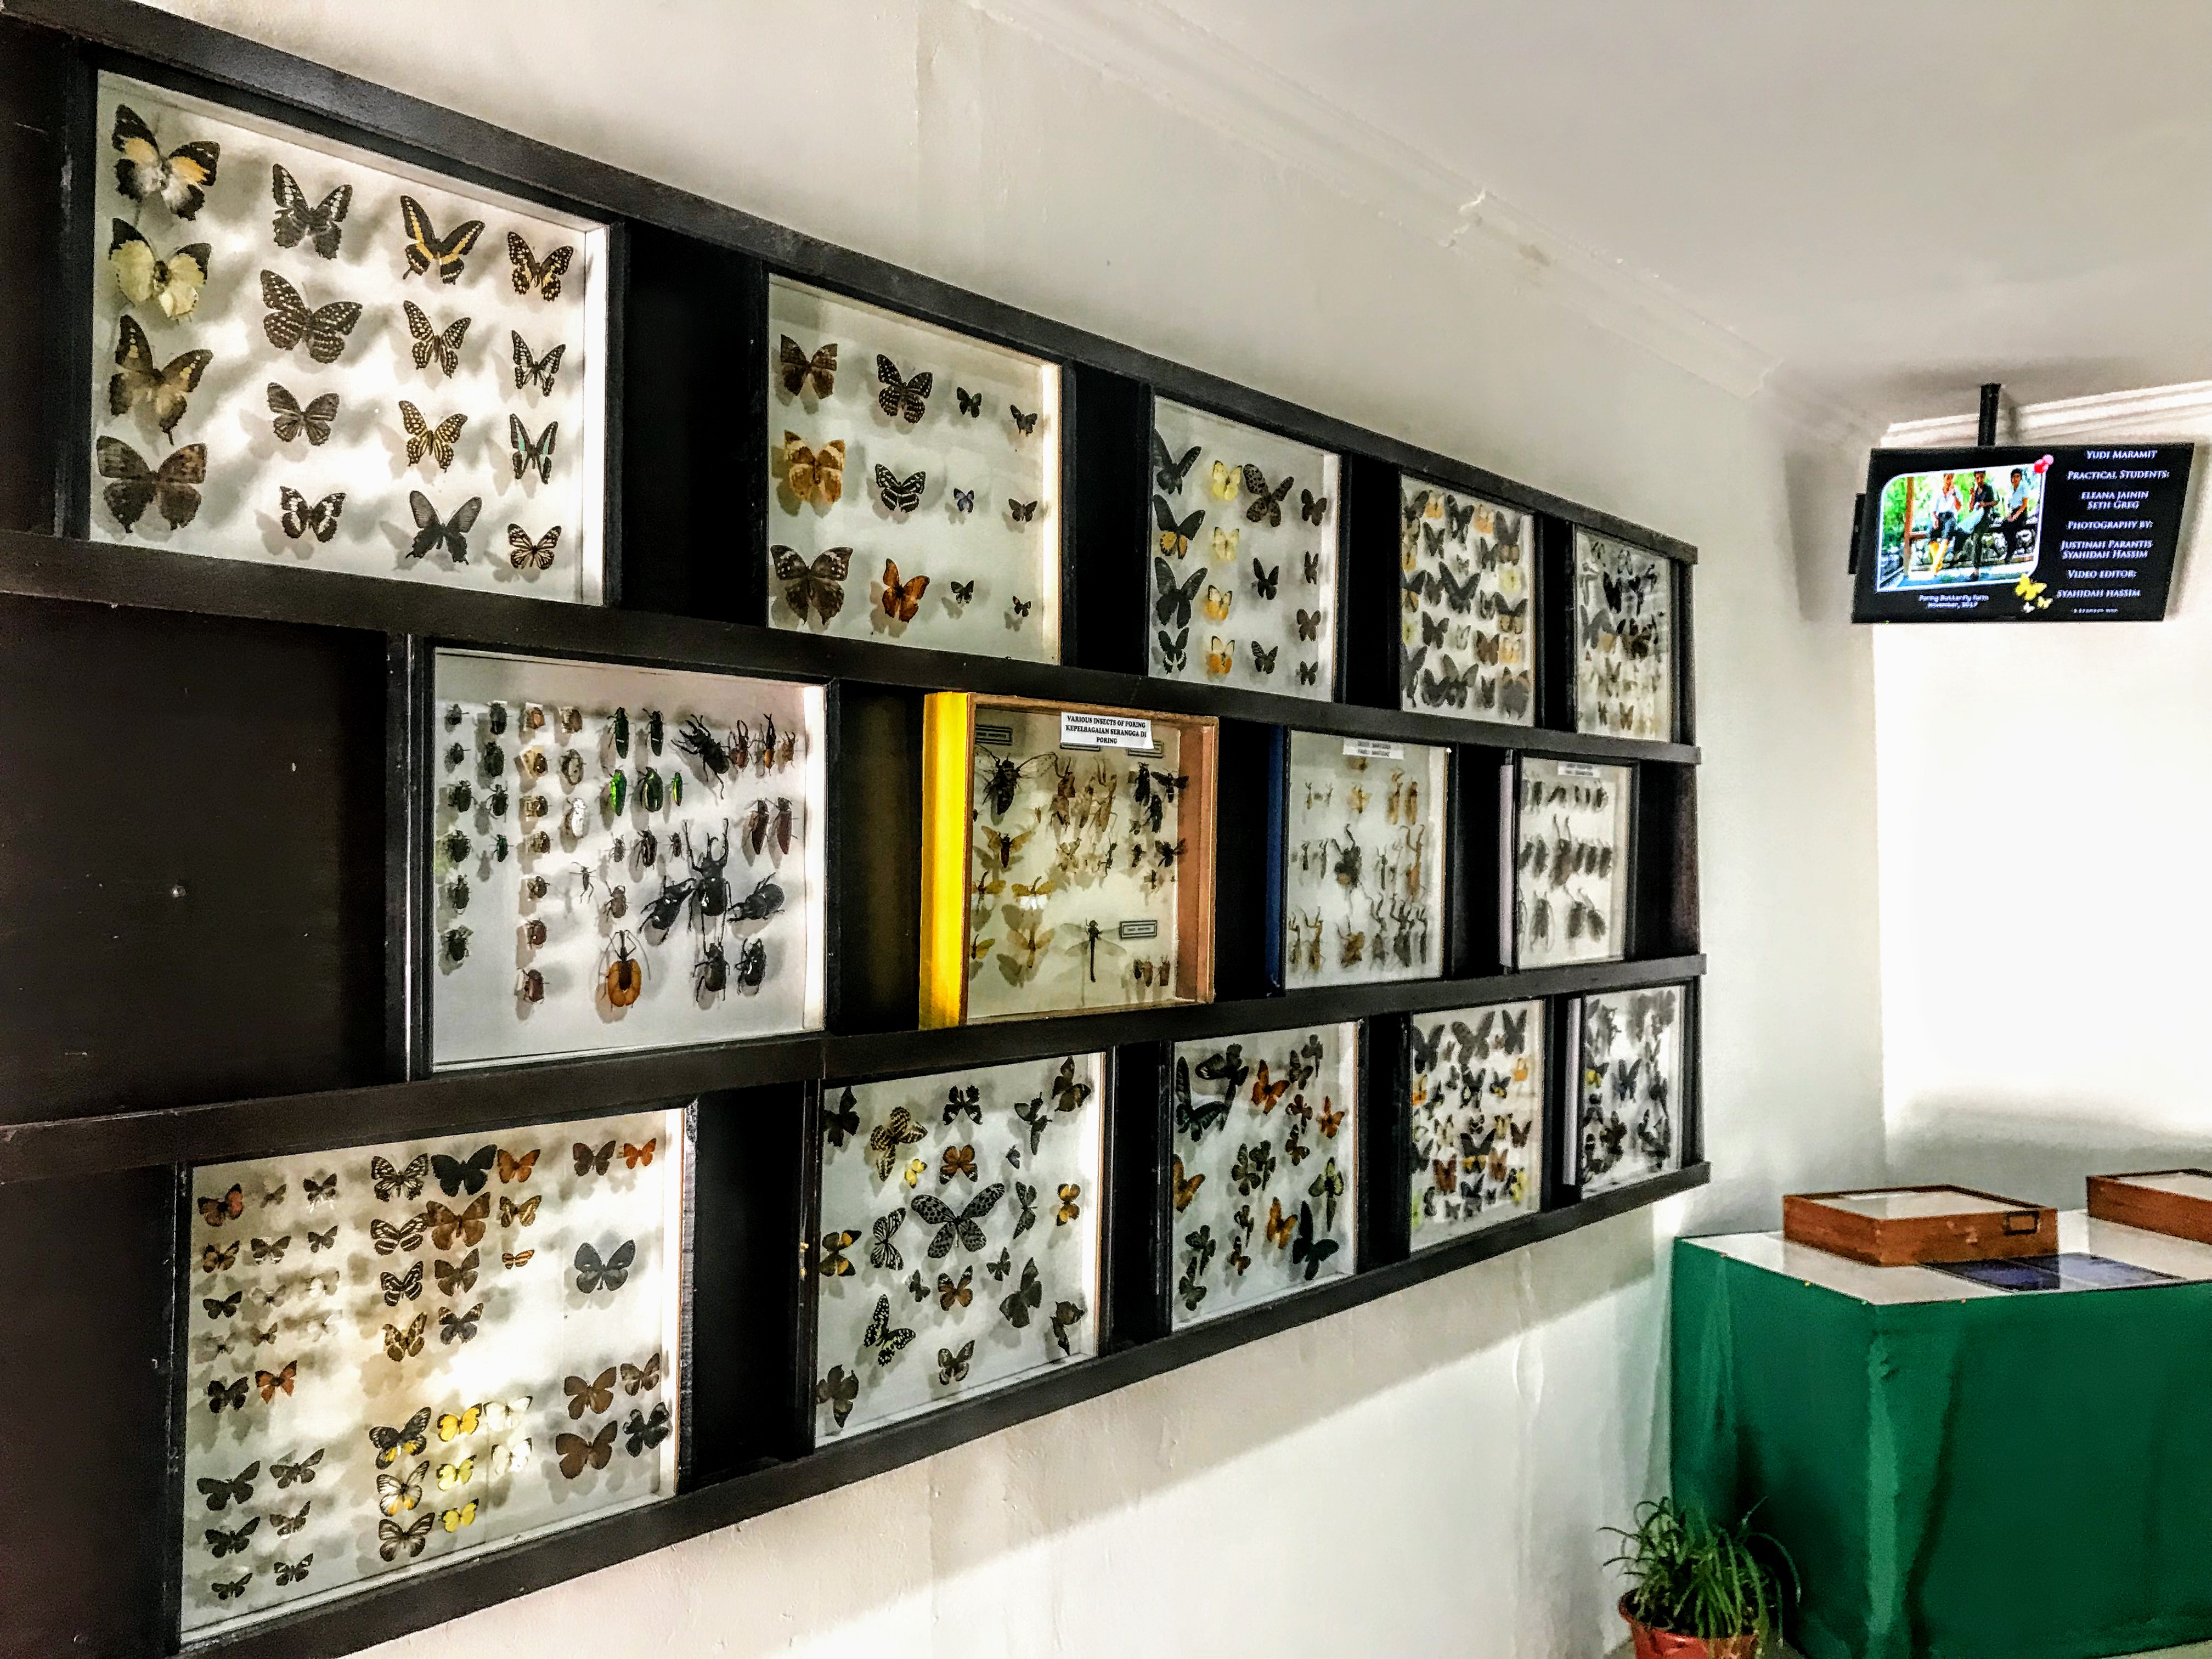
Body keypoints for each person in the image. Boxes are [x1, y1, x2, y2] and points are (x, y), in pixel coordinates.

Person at [1926, 473, 1961, 572]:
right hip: (1939, 517)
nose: (1949, 481)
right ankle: (1939, 563)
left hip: (1951, 517)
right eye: (1948, 478)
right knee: (1930, 532)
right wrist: (1935, 519)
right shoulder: (1938, 493)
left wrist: (1954, 494)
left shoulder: (1956, 492)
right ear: (1944, 479)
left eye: (1951, 479)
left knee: (1947, 534)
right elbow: (1933, 510)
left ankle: (1935, 567)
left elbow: (1958, 508)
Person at [2002, 466, 2036, 557]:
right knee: (2004, 526)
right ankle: (2012, 546)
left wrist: (2016, 516)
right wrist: (2009, 514)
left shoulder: (2024, 489)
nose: (2016, 479)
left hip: (2021, 513)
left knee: (2012, 527)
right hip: (2013, 512)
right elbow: (2007, 504)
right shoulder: (2010, 491)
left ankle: (2011, 549)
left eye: (2018, 477)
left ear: (2020, 478)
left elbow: (2024, 505)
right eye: (2014, 477)